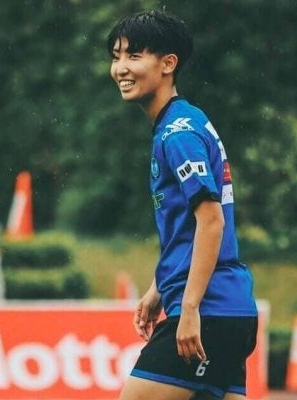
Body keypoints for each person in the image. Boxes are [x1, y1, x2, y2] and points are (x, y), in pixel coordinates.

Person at [106, 10, 258, 400]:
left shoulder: (178, 134)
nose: (121, 68)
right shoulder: (187, 121)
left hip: (208, 309)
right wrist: (158, 289)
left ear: (168, 63)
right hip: (229, 309)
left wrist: (189, 309)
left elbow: (211, 222)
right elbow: (189, 229)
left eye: (134, 56)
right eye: (116, 56)